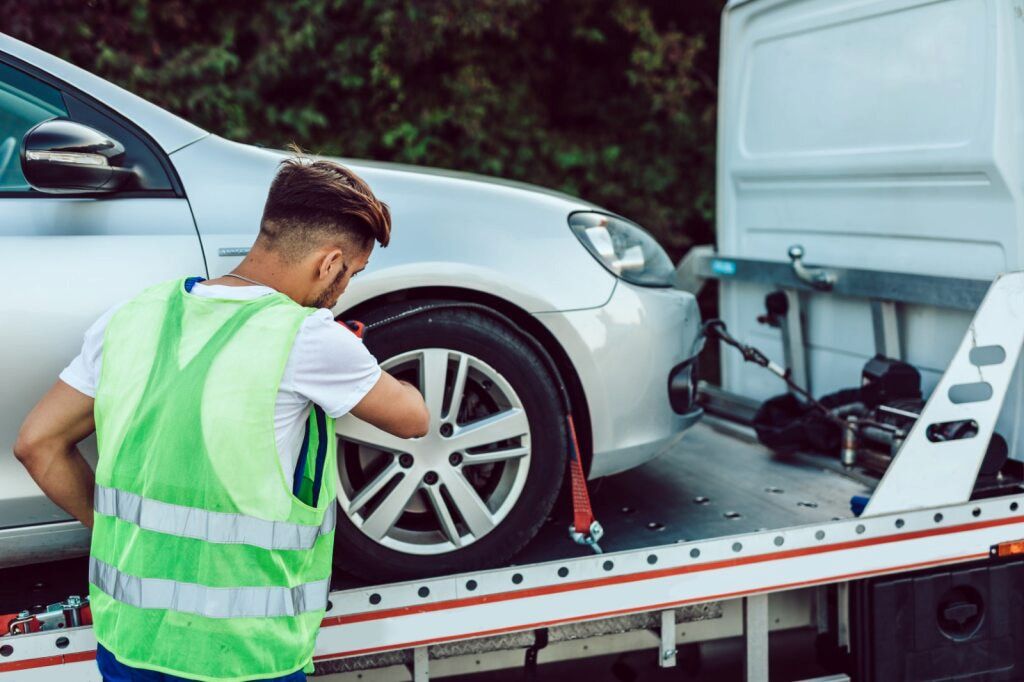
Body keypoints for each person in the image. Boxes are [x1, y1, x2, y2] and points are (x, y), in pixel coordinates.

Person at [13, 154, 431, 681]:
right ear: (328, 263)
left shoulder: (131, 317)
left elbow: (37, 443)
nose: (343, 290)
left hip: (130, 643)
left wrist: (115, 531)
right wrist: (362, 364)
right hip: (243, 657)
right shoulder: (306, 337)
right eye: (351, 274)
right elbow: (413, 418)